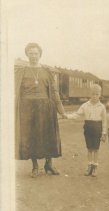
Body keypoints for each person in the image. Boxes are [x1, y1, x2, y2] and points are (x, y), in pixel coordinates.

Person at [15, 43, 65, 177]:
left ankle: (49, 164)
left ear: (40, 54)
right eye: (31, 53)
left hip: (46, 107)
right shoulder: (21, 71)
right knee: (32, 136)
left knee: (48, 135)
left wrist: (61, 110)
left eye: (36, 53)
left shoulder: (47, 71)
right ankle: (35, 166)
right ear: (27, 54)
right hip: (27, 108)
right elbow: (15, 91)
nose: (33, 56)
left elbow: (54, 91)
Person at [63, 84, 107, 177]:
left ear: (100, 95)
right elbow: (77, 115)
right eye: (93, 94)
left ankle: (95, 167)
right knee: (89, 148)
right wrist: (66, 116)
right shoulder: (85, 105)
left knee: (96, 149)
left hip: (97, 128)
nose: (95, 96)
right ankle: (89, 166)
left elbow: (104, 121)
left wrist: (104, 133)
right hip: (88, 128)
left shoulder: (102, 107)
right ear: (89, 94)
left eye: (97, 94)